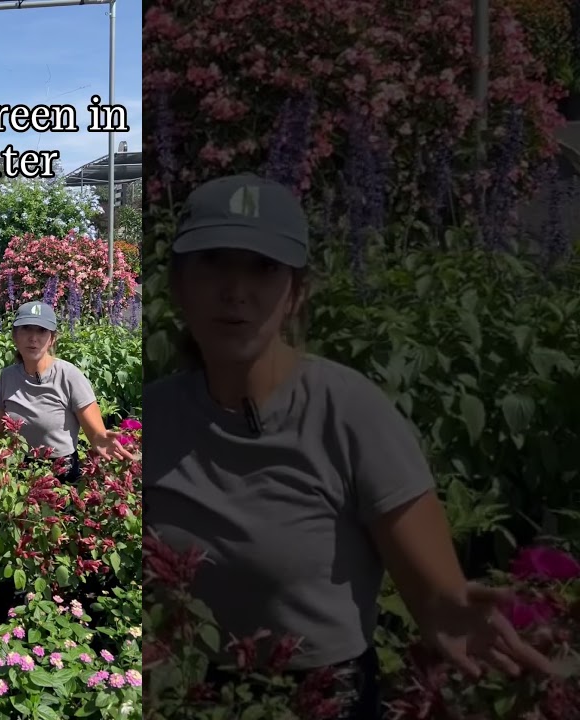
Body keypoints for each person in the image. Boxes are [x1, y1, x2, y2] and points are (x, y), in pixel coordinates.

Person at [143, 174, 554, 718]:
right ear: (178, 285)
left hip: (318, 698)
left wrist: (450, 615)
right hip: (182, 693)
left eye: (263, 267)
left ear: (297, 293)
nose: (235, 290)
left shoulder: (349, 413)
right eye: (213, 262)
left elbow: (434, 594)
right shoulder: (153, 417)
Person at [0, 301, 134, 481]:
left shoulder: (69, 376)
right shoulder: (8, 377)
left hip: (61, 474)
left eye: (41, 330)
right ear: (15, 336)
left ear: (52, 339)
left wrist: (100, 440)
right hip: (19, 472)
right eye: (26, 329)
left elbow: (95, 433)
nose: (33, 338)